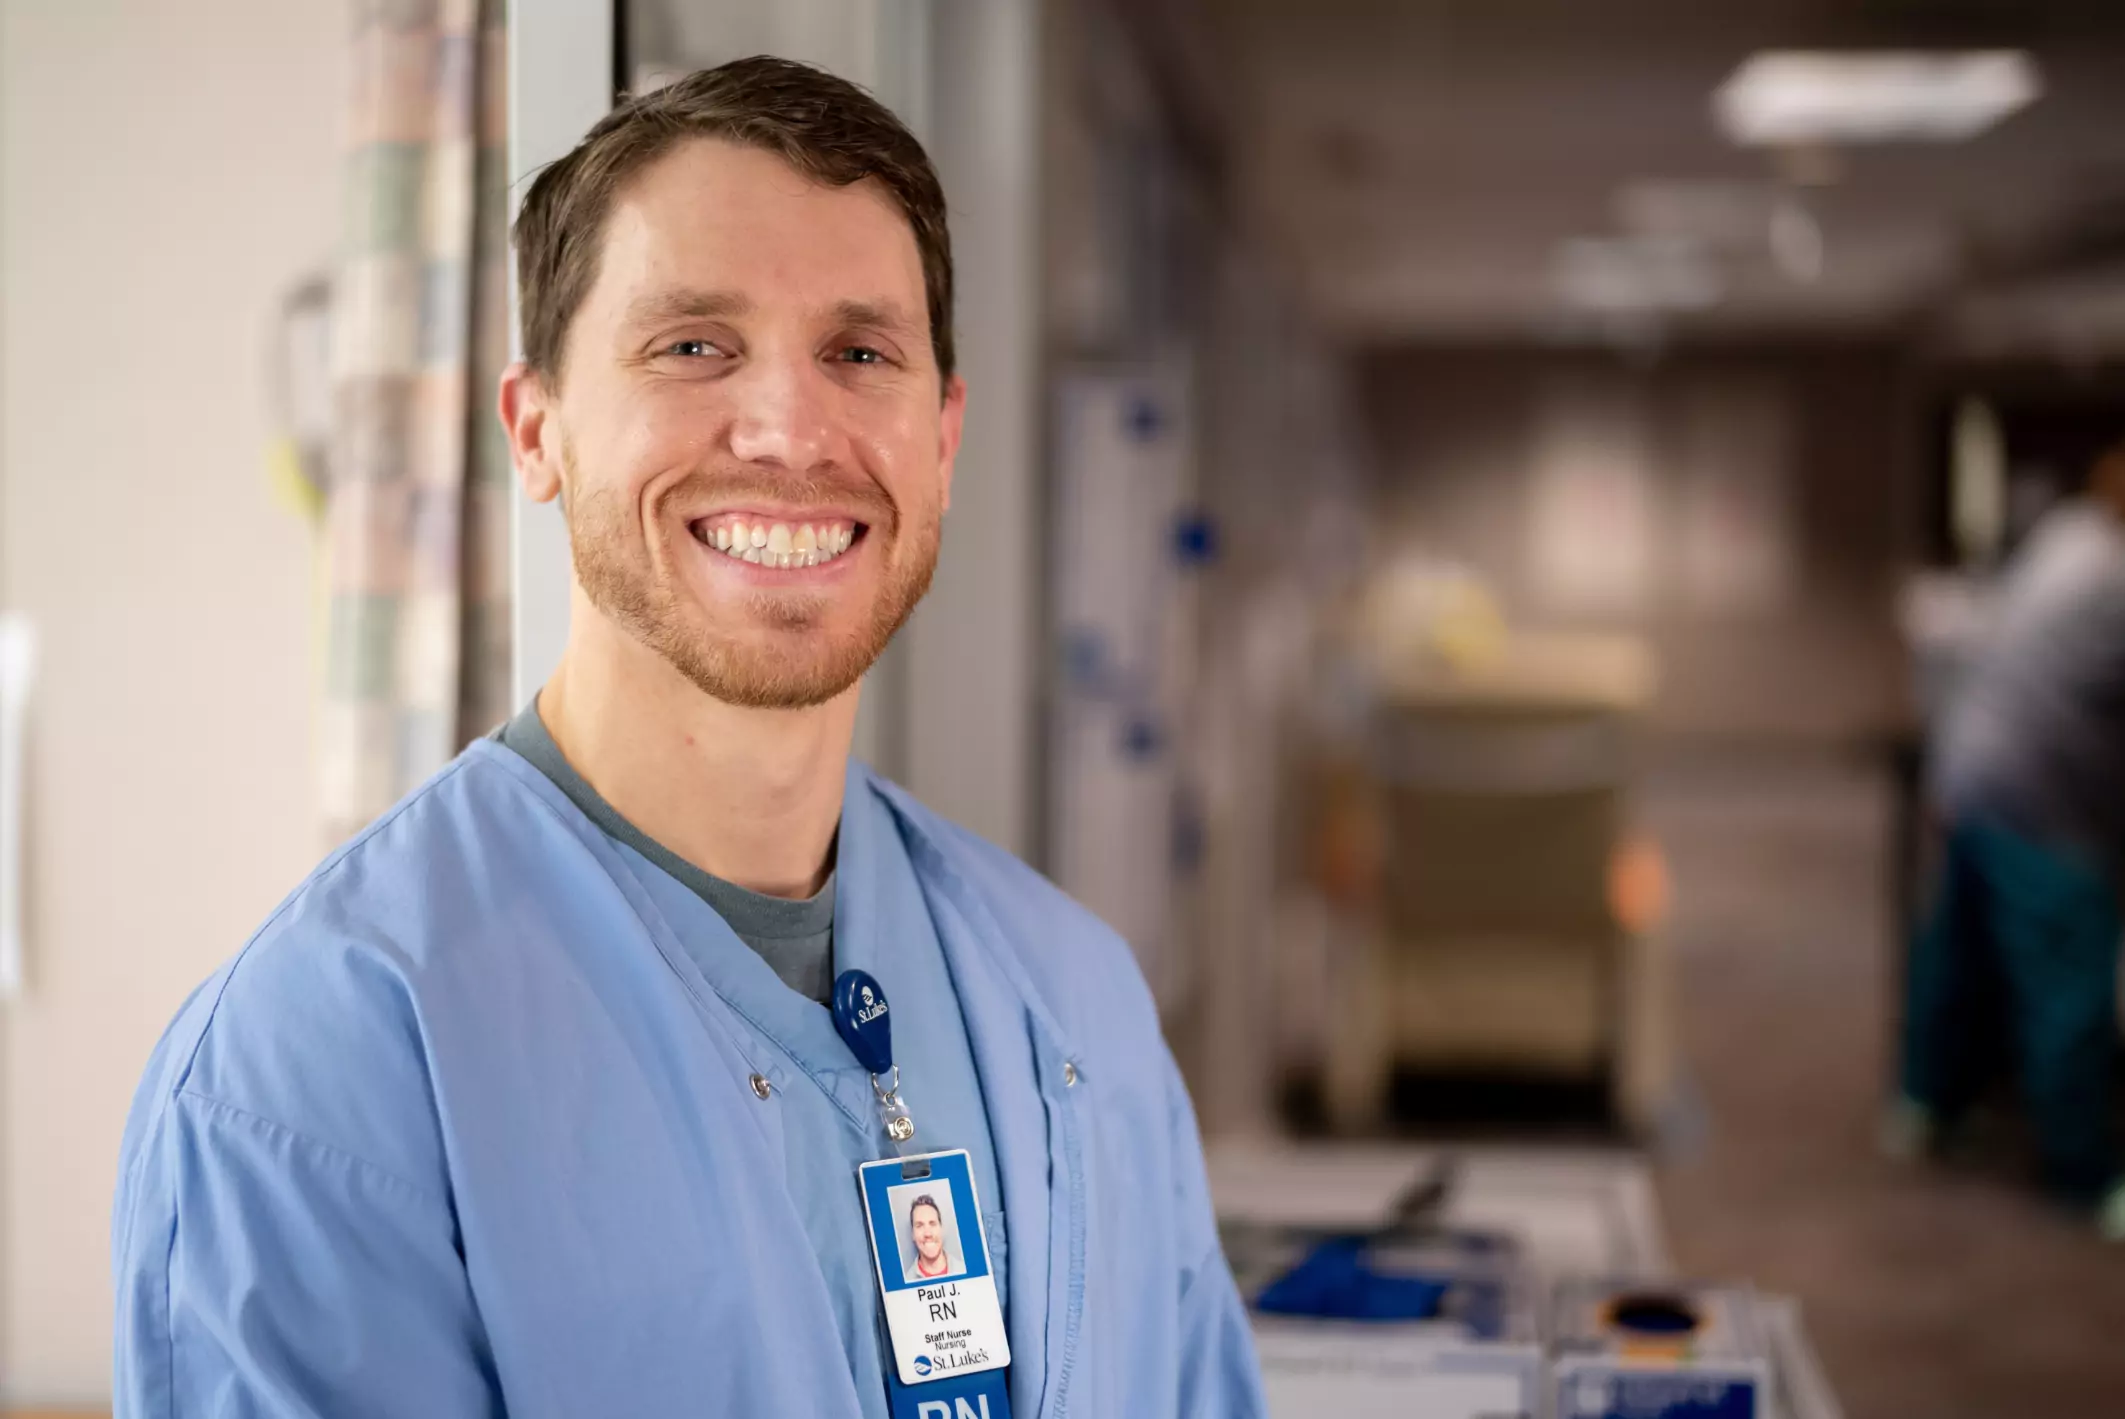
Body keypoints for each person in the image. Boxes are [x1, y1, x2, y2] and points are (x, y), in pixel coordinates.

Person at [111, 57, 1266, 1417]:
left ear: (941, 434)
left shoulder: (1075, 1005)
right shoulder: (319, 1073)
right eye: (692, 345)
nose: (788, 430)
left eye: (861, 352)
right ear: (535, 429)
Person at [1892, 436, 2125, 1235]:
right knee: (2067, 981)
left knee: (1963, 953)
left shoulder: (2067, 539)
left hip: (1974, 768)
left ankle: (1927, 1104)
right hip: (2042, 796)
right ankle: (2084, 1173)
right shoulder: (2111, 577)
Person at [906, 1194, 954, 1281]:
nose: (928, 1234)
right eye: (919, 1226)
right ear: (913, 1234)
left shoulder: (964, 1269)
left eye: (932, 1224)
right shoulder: (906, 1282)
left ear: (941, 1229)